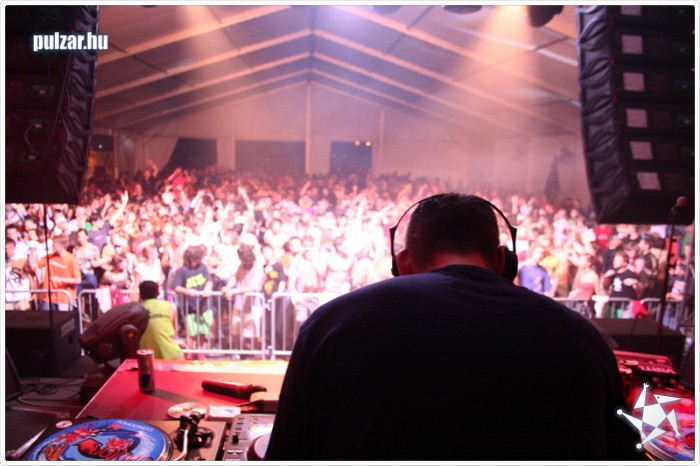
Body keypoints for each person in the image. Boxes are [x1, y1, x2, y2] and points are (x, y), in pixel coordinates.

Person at [265, 193, 641, 461]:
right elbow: (624, 453)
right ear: (503, 261)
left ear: (402, 263)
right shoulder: (580, 336)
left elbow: (288, 453)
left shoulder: (332, 324)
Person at [138, 280, 183, 360]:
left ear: (140, 294)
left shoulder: (136, 309)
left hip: (146, 356)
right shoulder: (170, 306)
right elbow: (174, 332)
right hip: (172, 354)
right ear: (158, 293)